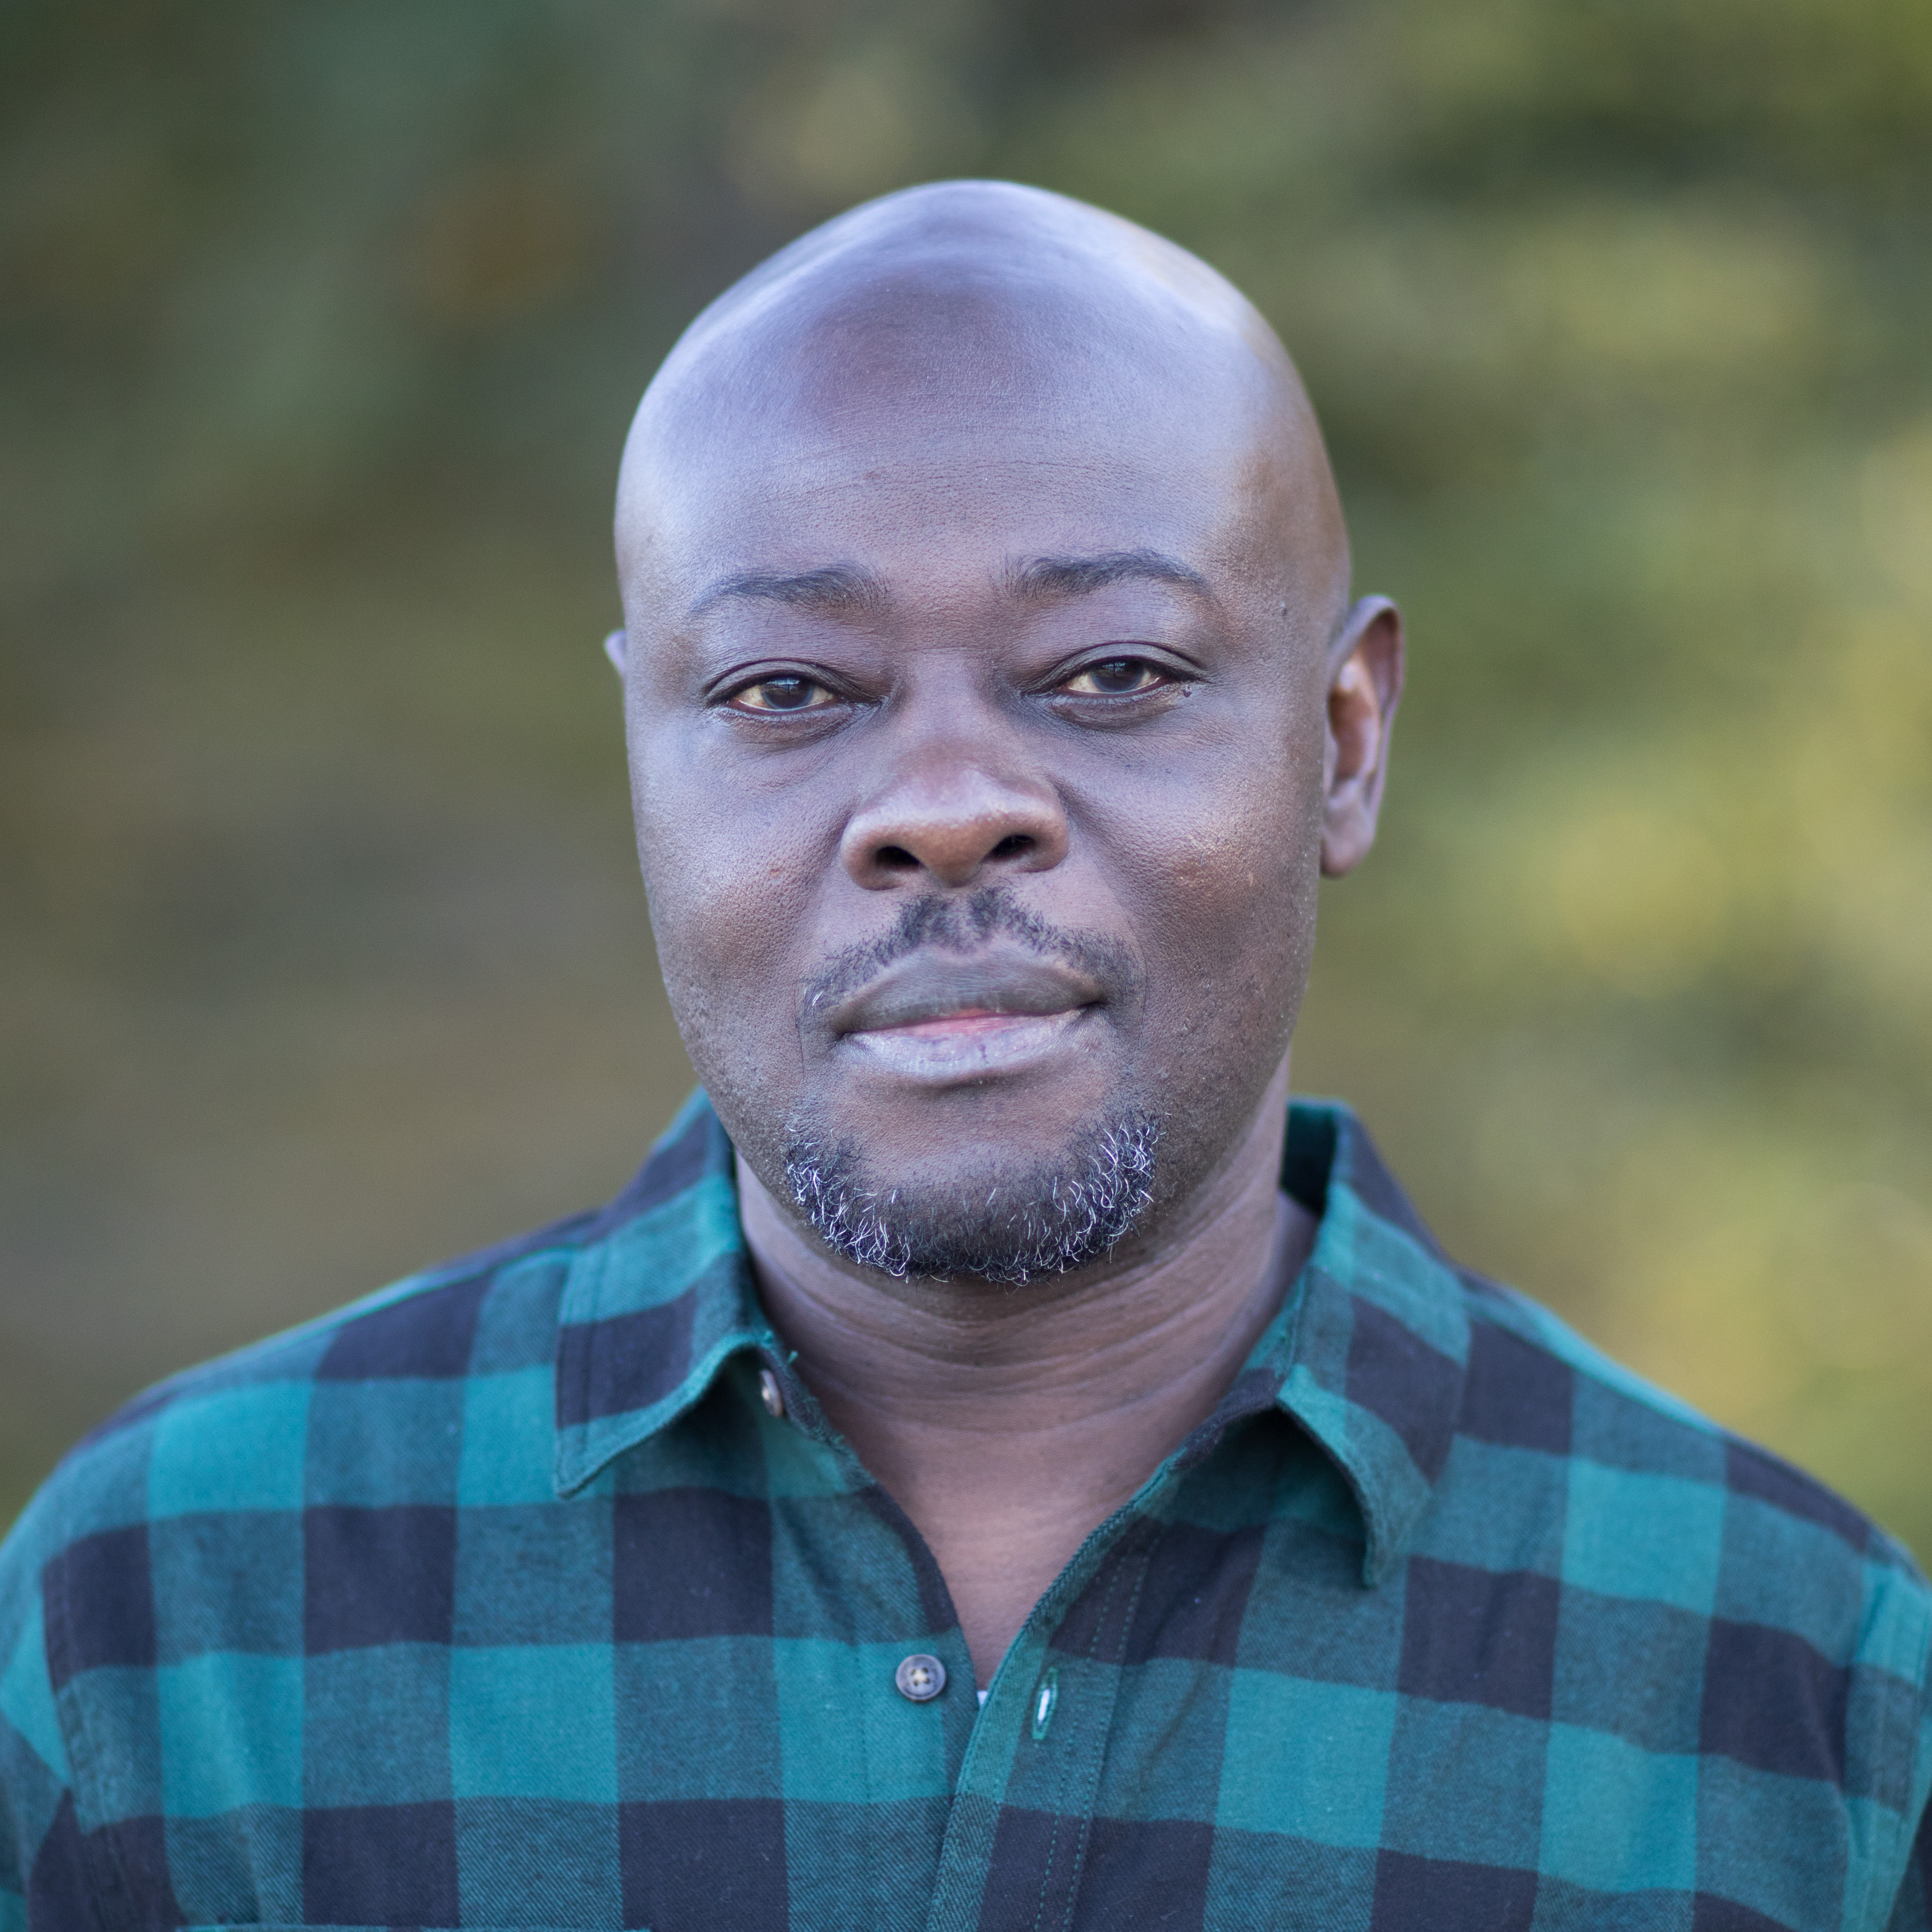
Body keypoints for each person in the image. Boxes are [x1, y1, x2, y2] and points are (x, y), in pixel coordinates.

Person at [1, 181, 1926, 1932]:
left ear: (1343, 740)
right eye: (784, 690)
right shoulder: (171, 1616)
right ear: (643, 757)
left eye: (1114, 673)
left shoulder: (1802, 1691)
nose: (941, 807)